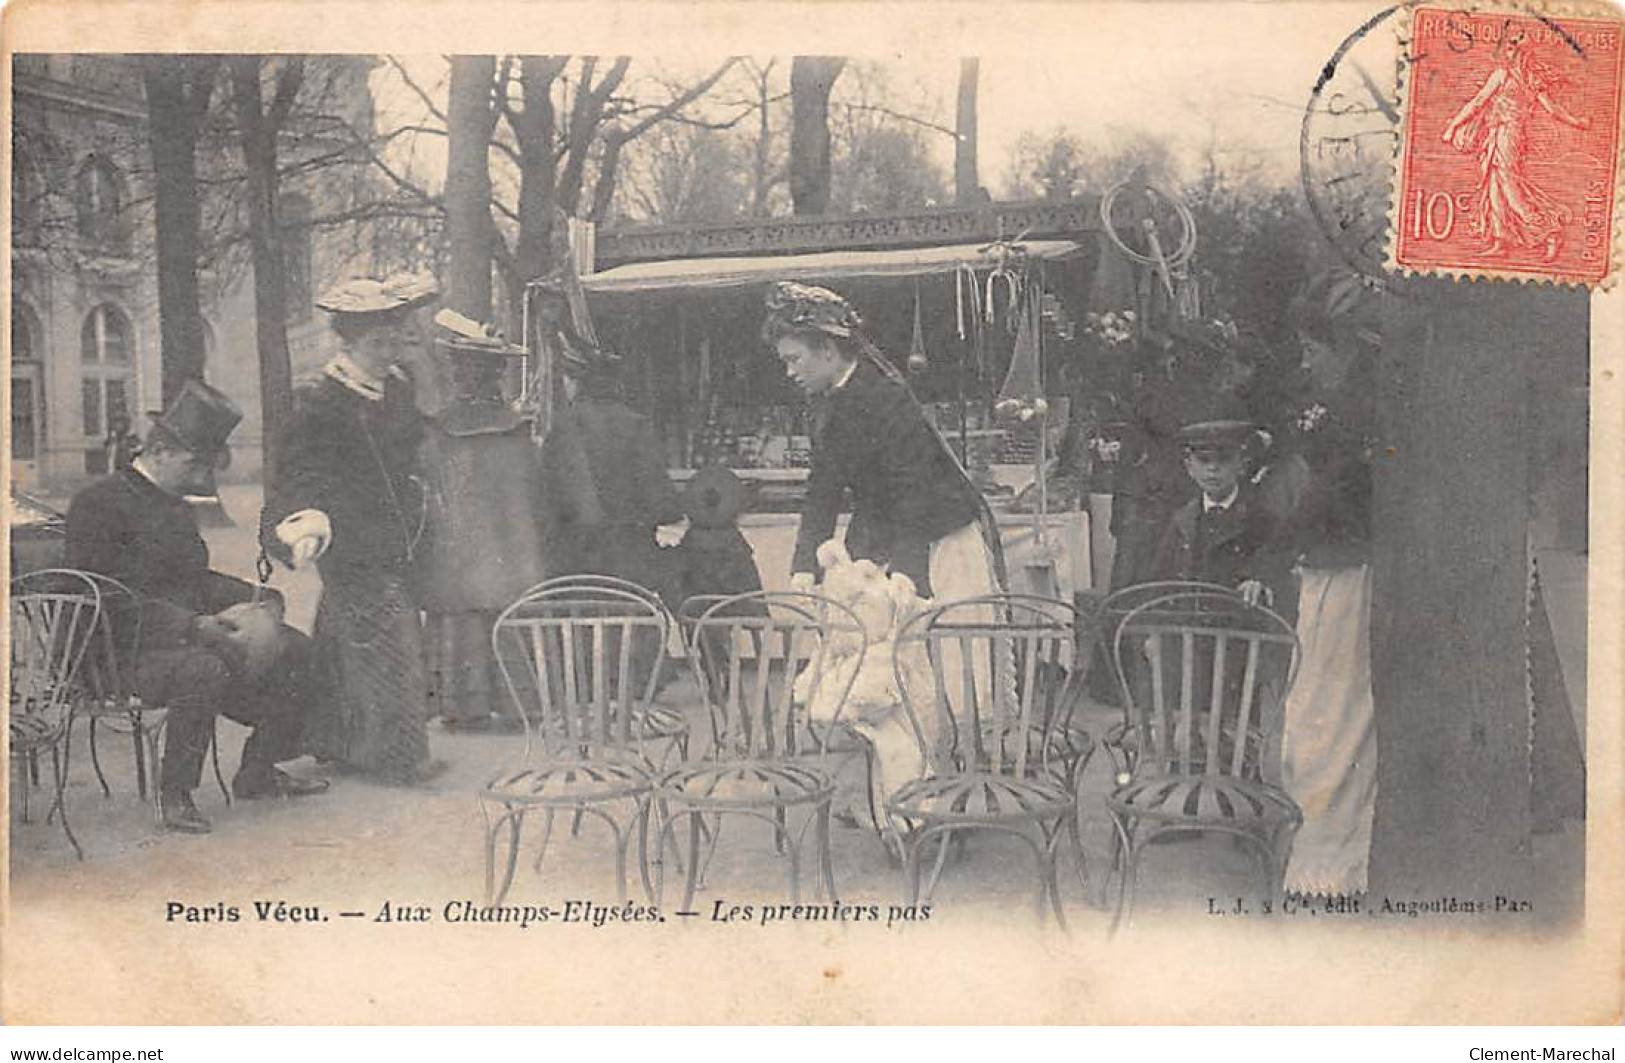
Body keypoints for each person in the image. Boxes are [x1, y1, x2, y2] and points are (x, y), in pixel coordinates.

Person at [66, 380, 329, 834]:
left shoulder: (176, 505)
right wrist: (191, 625)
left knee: (298, 648)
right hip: (117, 651)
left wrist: (256, 597)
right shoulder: (97, 503)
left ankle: (258, 770)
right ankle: (177, 794)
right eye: (194, 464)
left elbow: (195, 580)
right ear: (161, 451)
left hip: (188, 637)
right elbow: (104, 596)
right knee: (204, 668)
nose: (201, 478)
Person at [259, 273, 444, 787]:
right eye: (378, 340)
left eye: (394, 336)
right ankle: (401, 756)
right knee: (391, 638)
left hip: (399, 534)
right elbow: (298, 474)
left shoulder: (396, 387)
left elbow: (412, 446)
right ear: (351, 339)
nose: (390, 347)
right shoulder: (324, 402)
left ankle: (337, 741)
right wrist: (304, 523)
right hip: (351, 540)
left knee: (345, 635)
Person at [763, 281, 1000, 601]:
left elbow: (911, 487)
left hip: (937, 536)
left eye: (794, 359)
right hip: (879, 531)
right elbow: (822, 488)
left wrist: (906, 570)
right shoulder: (823, 403)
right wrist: (805, 566)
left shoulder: (887, 398)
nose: (789, 372)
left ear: (829, 352)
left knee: (937, 638)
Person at [1275, 268, 1380, 899]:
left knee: (1334, 711)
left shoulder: (1352, 411)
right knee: (1316, 705)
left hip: (1348, 571)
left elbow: (1337, 498)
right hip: (1327, 567)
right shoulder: (1337, 409)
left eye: (1316, 349)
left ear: (1344, 349)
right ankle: (1321, 846)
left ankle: (1334, 860)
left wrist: (1295, 525)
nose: (1308, 361)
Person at [415, 316, 550, 733]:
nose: (465, 376)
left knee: (463, 613)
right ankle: (515, 704)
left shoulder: (437, 429)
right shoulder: (521, 429)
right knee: (507, 609)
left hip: (460, 546)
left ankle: (464, 706)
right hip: (512, 547)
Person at [1440, 32, 1590, 261]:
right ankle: (1501, 240)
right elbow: (1552, 109)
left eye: (1511, 48)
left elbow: (1479, 102)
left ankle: (1549, 232)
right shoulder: (1530, 78)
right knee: (1494, 187)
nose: (1508, 52)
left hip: (1507, 135)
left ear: (1518, 53)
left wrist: (1453, 126)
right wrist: (1577, 122)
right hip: (1500, 134)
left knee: (1509, 187)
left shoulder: (1507, 75)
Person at [1150, 405, 1293, 613]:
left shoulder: (1262, 519)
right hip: (1187, 633)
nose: (1213, 469)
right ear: (1189, 468)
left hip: (1240, 634)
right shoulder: (1181, 521)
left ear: (1242, 465)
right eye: (1204, 460)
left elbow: (1279, 566)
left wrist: (1260, 580)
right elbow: (1159, 587)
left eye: (1224, 459)